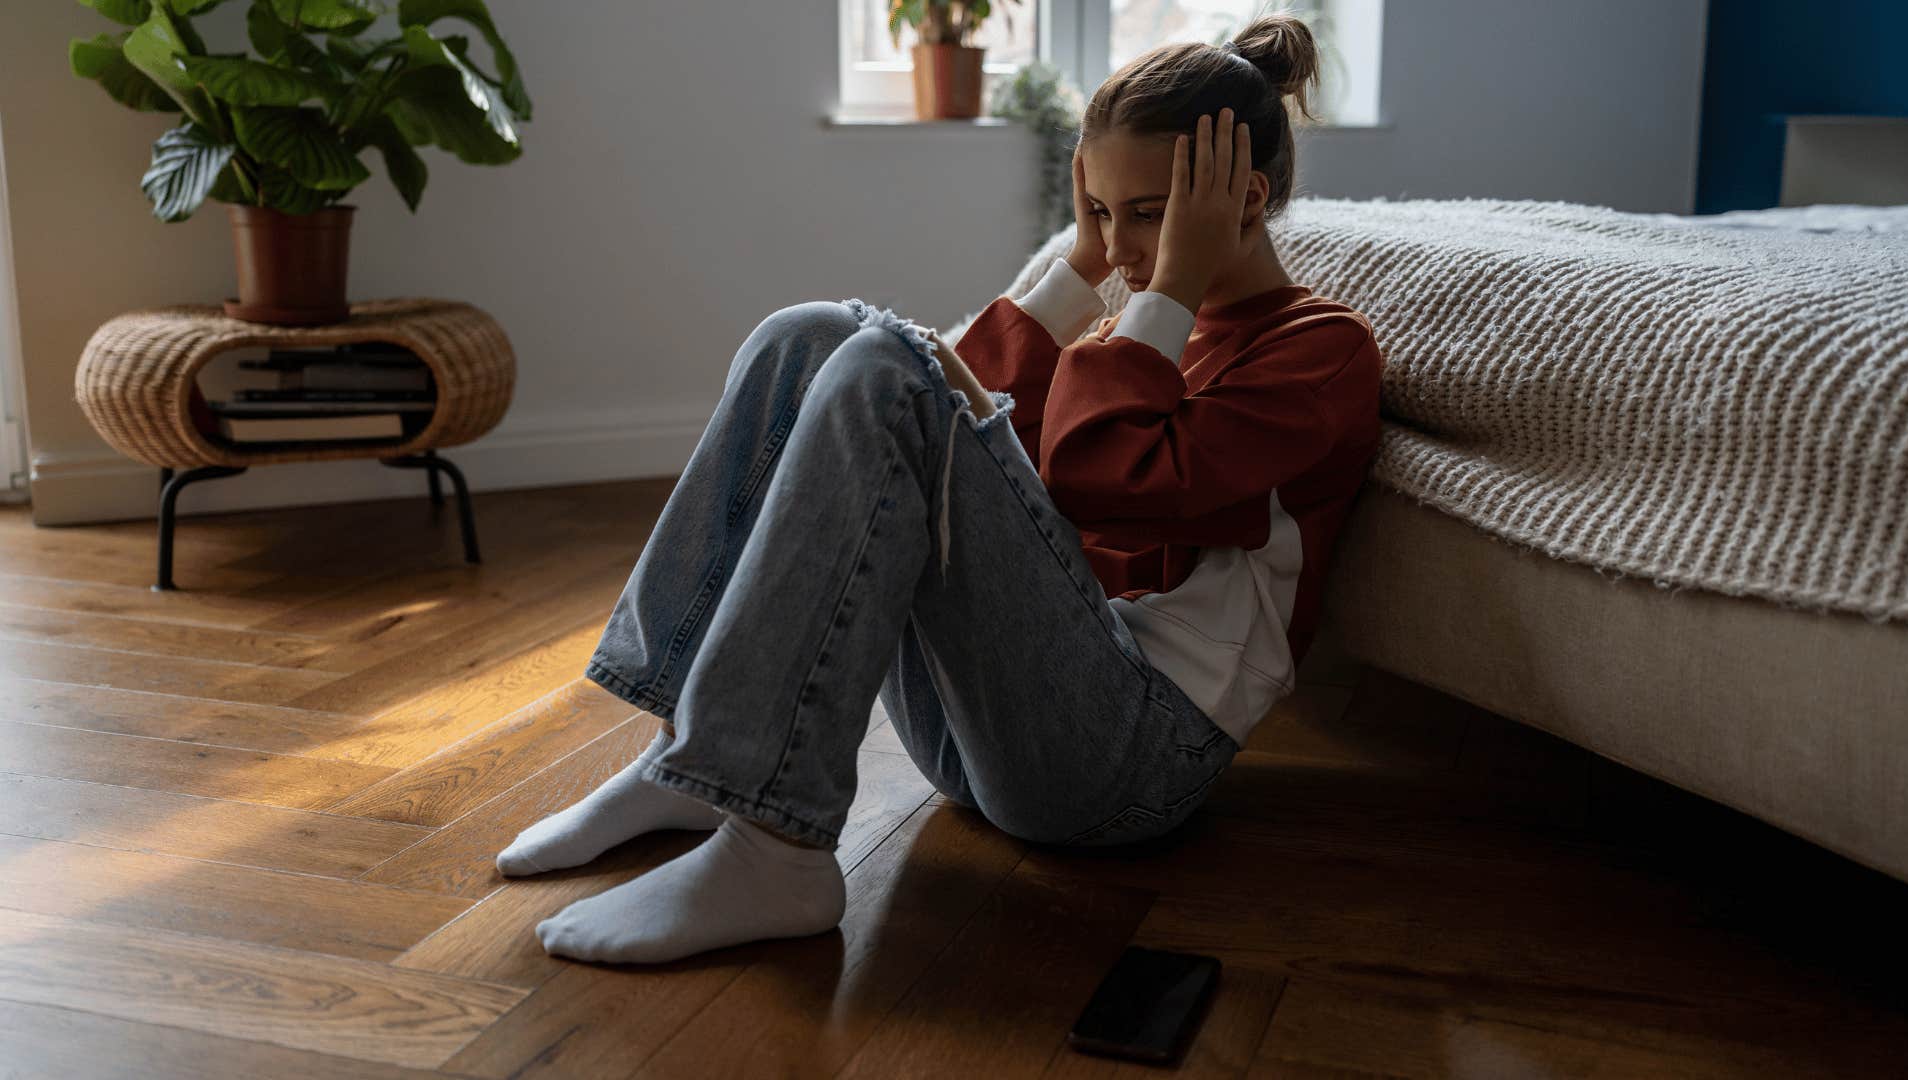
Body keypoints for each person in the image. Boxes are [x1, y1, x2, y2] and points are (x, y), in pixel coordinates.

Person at [495, 11, 1383, 966]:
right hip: (991, 731)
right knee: (817, 337)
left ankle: (777, 848)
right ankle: (696, 759)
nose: (1122, 250)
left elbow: (1099, 480)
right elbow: (931, 412)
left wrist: (1159, 301)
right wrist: (1081, 272)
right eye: (1102, 213)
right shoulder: (1128, 341)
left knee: (883, 362)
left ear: (1243, 200)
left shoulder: (1317, 353)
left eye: (1151, 213)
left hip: (1130, 763)